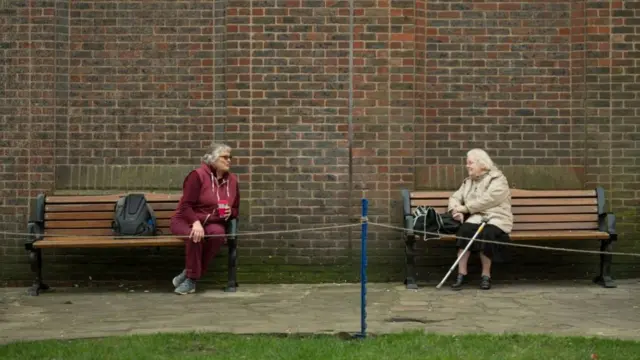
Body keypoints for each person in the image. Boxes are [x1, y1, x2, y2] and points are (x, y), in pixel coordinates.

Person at [170, 143, 240, 295]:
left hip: (212, 221)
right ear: (212, 159)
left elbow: (236, 209)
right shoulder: (197, 176)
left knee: (217, 234)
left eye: (230, 157)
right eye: (225, 157)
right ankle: (191, 280)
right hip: (186, 219)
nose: (229, 161)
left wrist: (230, 212)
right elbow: (186, 206)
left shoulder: (233, 181)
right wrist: (195, 223)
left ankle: (188, 273)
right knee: (195, 235)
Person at [447, 148, 513, 291]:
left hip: (497, 218)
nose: (467, 166)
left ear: (481, 164)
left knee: (487, 235)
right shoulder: (468, 182)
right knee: (464, 230)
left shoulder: (498, 179)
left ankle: (486, 275)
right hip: (477, 217)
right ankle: (461, 274)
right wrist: (455, 210)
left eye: (470, 163)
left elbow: (489, 200)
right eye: (467, 163)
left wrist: (465, 209)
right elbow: (455, 197)